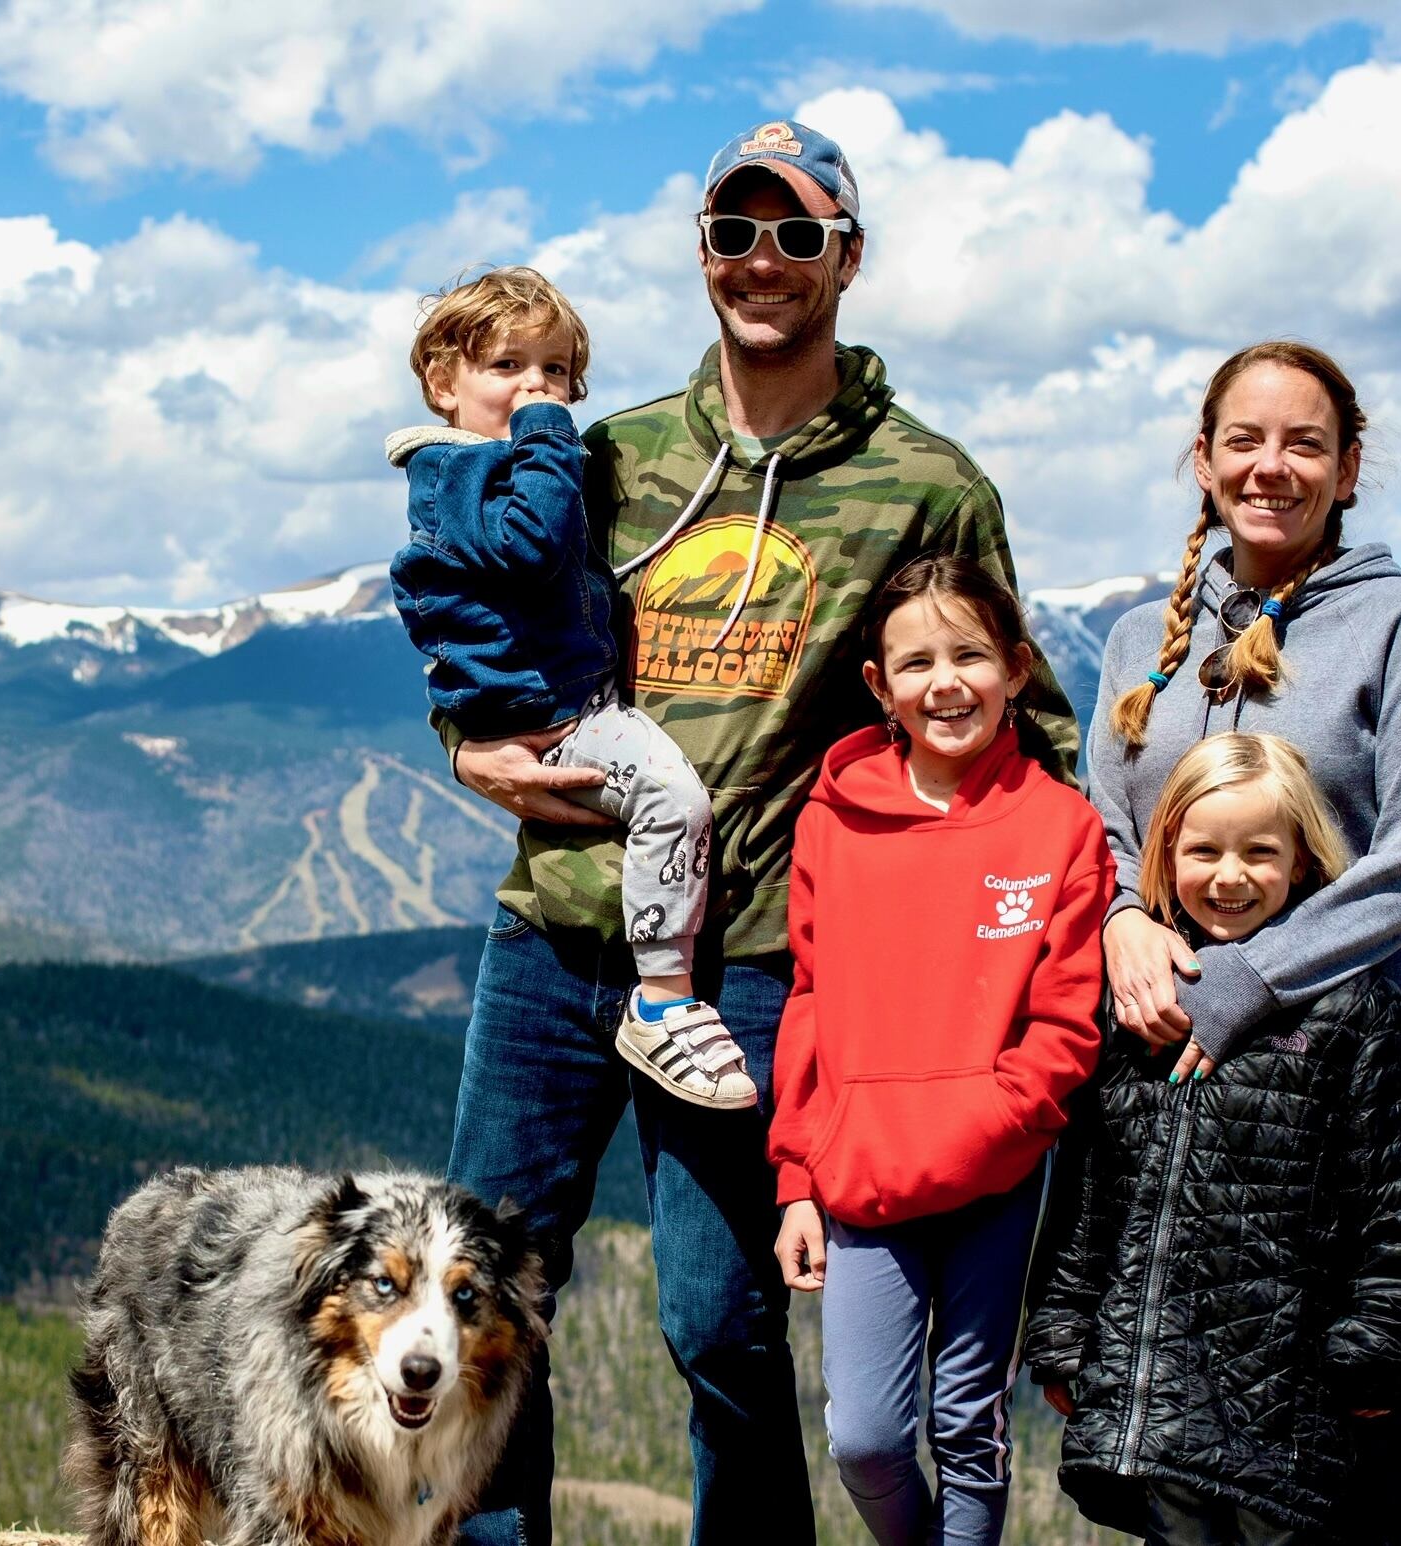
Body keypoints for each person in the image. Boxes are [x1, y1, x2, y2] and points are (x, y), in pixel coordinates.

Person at [436, 120, 1079, 1546]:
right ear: (704, 252)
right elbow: (491, 619)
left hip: (751, 955)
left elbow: (1019, 714)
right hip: (553, 925)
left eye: (797, 233)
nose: (762, 261)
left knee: (718, 1325)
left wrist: (1109, 917)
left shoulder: (926, 483)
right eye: (735, 231)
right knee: (484, 1293)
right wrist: (465, 744)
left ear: (849, 256)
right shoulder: (603, 456)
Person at [1087, 340, 1401, 1542]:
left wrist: (1248, 979)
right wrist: (1124, 926)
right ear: (1200, 461)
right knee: (1187, 1386)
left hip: (1341, 1065)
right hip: (1169, 1053)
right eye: (1243, 441)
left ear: (1348, 466)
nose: (1272, 466)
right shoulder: (1137, 636)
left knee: (1348, 1383)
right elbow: (1105, 825)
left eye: (1304, 443)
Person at [1026, 732, 1401, 1545]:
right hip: (1162, 1409)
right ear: (1165, 854)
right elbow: (1087, 1195)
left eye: (1260, 851)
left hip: (1291, 1409)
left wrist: (1379, 1351)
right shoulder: (1139, 1012)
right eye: (1204, 850)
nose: (1230, 875)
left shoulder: (1349, 1013)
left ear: (1303, 859)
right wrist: (1063, 1333)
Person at [767, 557, 1109, 1546]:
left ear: (1014, 666)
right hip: (863, 1179)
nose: (945, 681)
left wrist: (994, 1120)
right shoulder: (833, 821)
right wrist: (798, 1172)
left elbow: (1065, 1016)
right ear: (879, 684)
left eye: (969, 654)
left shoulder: (1059, 825)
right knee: (867, 1436)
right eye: (916, 662)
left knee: (968, 1423)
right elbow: (810, 995)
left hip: (992, 1180)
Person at [387, 266, 754, 1110]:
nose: (535, 388)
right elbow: (537, 548)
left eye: (554, 373)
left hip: (556, 700)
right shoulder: (465, 475)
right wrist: (549, 431)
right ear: (443, 384)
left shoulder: (482, 471)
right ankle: (664, 1000)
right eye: (506, 366)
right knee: (674, 803)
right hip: (558, 716)